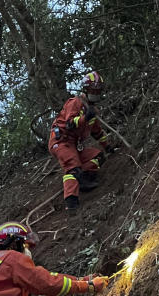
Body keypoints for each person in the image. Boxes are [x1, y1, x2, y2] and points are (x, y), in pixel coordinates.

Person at [48, 71, 114, 212]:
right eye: (93, 90)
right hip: (61, 142)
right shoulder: (75, 102)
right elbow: (70, 123)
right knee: (72, 167)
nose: (95, 93)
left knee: (97, 156)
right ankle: (71, 202)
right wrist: (85, 117)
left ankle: (83, 178)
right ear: (85, 89)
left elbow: (97, 132)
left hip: (73, 145)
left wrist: (107, 147)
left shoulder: (92, 110)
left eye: (98, 90)